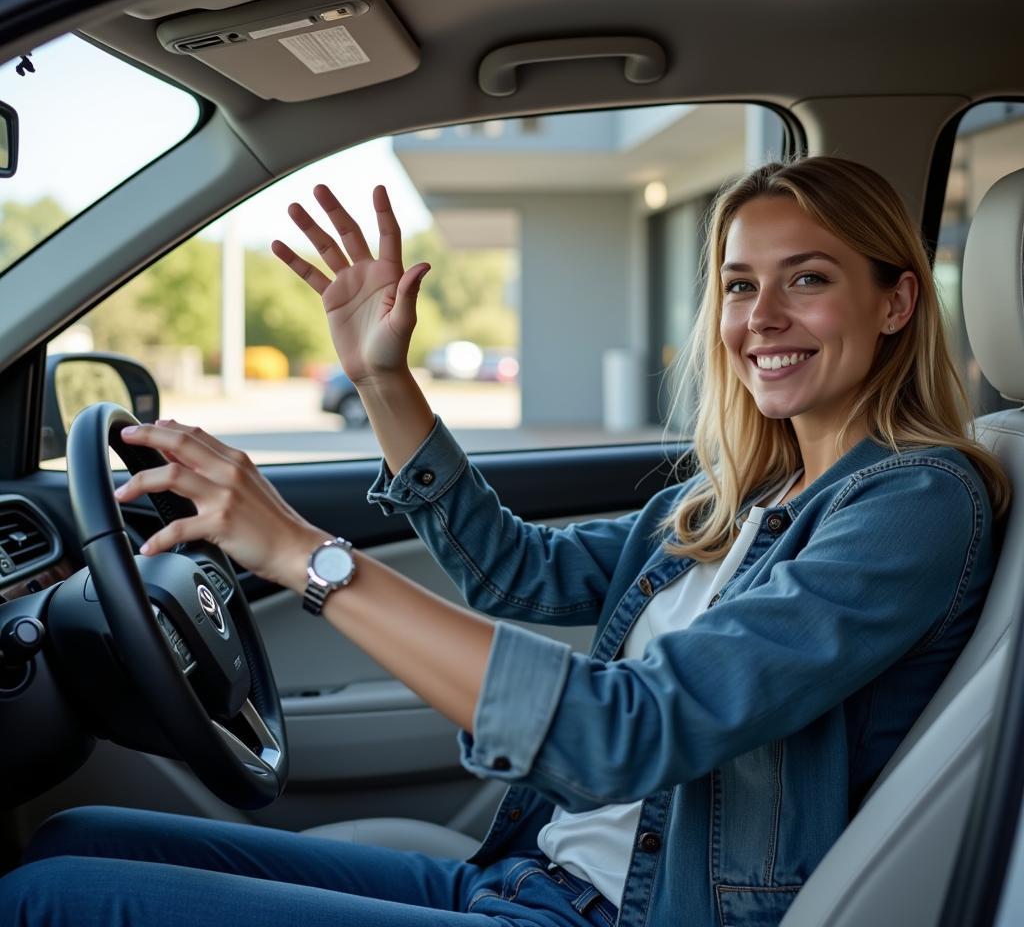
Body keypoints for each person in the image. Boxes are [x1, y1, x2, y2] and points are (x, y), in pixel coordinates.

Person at [0, 156, 1010, 927]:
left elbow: (631, 730)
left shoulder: (916, 502)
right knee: (73, 836)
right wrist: (386, 381)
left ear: (895, 301)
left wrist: (308, 556)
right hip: (532, 874)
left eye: (808, 279)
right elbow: (519, 570)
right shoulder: (735, 496)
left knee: (46, 900)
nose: (761, 317)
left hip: (625, 913)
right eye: (740, 284)